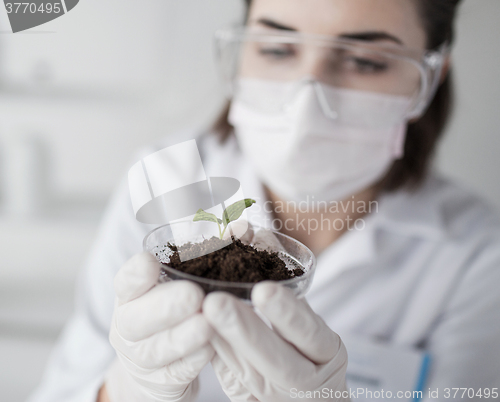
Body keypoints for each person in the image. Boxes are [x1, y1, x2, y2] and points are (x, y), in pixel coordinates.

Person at [29, 0, 500, 401]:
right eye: (276, 49)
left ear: (431, 78)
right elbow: (64, 386)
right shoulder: (163, 184)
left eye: (366, 61)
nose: (305, 99)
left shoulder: (477, 253)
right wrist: (131, 387)